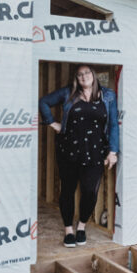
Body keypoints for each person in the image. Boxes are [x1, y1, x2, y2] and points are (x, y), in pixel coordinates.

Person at [39, 64, 119, 247]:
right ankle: (68, 230)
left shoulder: (108, 96)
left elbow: (114, 124)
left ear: (93, 75)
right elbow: (43, 102)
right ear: (76, 78)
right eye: (79, 74)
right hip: (68, 151)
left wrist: (113, 151)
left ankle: (81, 227)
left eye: (87, 73)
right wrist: (52, 123)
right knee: (67, 190)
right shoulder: (68, 93)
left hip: (95, 152)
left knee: (90, 191)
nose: (84, 77)